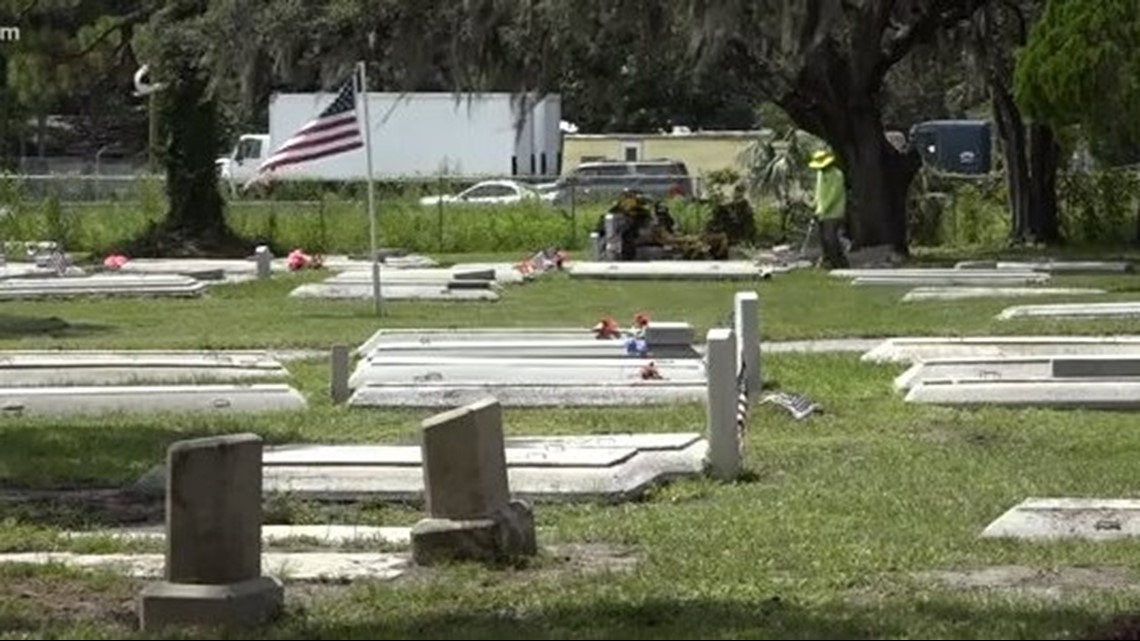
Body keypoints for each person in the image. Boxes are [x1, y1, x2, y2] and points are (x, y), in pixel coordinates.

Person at [808, 149, 849, 268]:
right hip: (822, 212)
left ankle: (840, 263)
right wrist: (815, 204)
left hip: (834, 212)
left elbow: (833, 195)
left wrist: (822, 209)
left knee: (830, 238)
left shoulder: (837, 175)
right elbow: (819, 191)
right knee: (824, 240)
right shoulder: (820, 174)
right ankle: (828, 262)